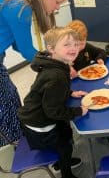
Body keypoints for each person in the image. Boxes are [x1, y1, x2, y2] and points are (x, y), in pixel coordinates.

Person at [0, 0, 67, 147]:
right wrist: (57, 64)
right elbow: (26, 50)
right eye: (57, 2)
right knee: (6, 101)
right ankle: (13, 145)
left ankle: (17, 139)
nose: (57, 7)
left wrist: (46, 59)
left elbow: (17, 45)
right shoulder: (20, 7)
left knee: (11, 96)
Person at [18, 27, 89, 178]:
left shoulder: (54, 64)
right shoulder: (56, 76)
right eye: (67, 44)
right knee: (65, 145)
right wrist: (78, 111)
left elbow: (48, 92)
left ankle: (62, 160)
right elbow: (53, 112)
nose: (74, 48)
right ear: (51, 48)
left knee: (66, 131)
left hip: (36, 115)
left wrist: (70, 93)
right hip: (38, 124)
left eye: (76, 44)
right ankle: (65, 172)